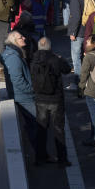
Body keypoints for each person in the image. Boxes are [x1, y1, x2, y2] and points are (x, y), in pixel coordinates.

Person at [30, 36, 72, 166]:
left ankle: (40, 158)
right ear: (50, 46)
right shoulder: (55, 59)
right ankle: (62, 159)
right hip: (55, 98)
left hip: (40, 98)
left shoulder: (33, 59)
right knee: (58, 129)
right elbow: (67, 69)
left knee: (41, 129)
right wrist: (60, 58)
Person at [1, 30, 39, 162]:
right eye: (20, 37)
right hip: (24, 97)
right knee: (35, 125)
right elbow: (17, 80)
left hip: (22, 96)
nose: (24, 38)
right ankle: (37, 155)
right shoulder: (14, 57)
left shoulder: (14, 54)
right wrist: (31, 90)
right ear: (14, 41)